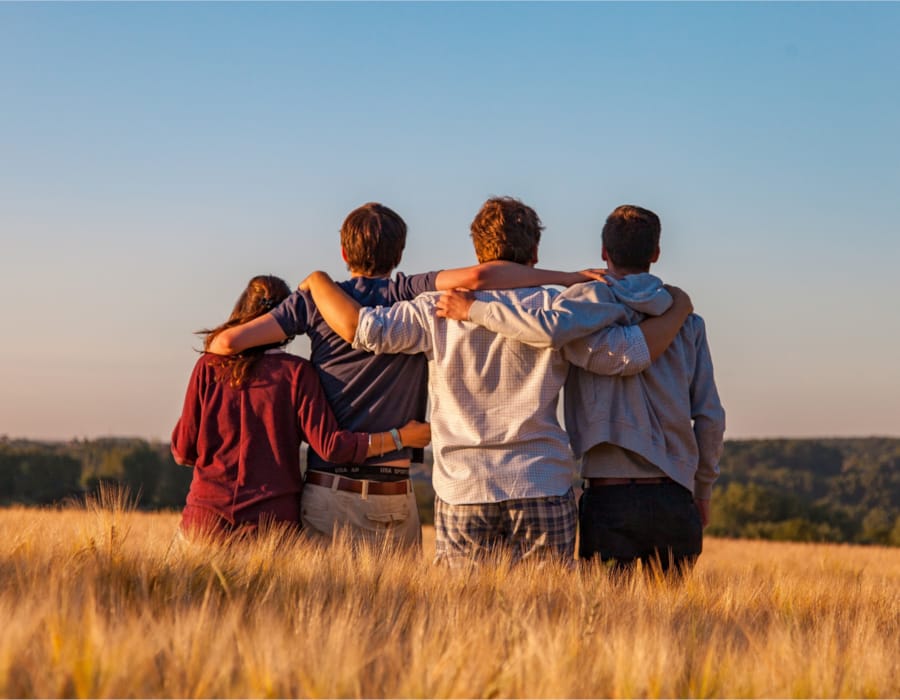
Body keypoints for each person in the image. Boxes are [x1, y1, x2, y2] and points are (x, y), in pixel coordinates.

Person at [299, 197, 693, 566]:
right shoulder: (558, 309)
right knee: (548, 618)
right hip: (541, 481)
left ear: (477, 252)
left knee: (464, 620)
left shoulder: (434, 309)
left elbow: (364, 330)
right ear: (535, 254)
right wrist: (677, 310)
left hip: (463, 488)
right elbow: (625, 356)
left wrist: (318, 281)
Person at [206, 202, 603, 549]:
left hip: (329, 488)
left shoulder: (314, 301)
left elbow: (225, 345)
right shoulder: (410, 292)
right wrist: (567, 278)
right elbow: (482, 278)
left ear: (344, 251)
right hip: (396, 492)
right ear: (399, 253)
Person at [438, 204, 725, 574]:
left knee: (604, 623)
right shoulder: (687, 322)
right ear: (655, 254)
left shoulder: (579, 310)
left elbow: (544, 329)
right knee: (673, 625)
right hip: (675, 496)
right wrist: (703, 489)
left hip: (609, 497)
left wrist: (474, 310)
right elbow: (710, 417)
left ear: (604, 252)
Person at [171, 274, 430, 540]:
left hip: (204, 522)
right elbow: (332, 447)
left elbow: (183, 452)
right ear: (287, 320)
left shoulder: (208, 367)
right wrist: (400, 437)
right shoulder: (297, 374)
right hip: (271, 528)